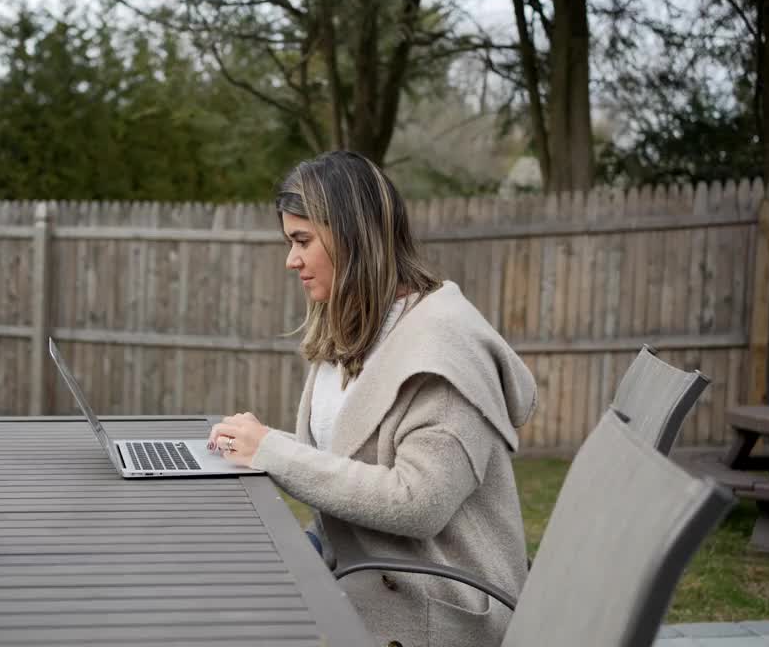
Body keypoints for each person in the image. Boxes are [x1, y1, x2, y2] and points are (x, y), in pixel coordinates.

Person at [207, 150, 537, 647]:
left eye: (302, 241)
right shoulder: (351, 330)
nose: (290, 259)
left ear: (353, 237)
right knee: (225, 601)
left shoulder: (443, 350)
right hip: (357, 574)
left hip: (436, 612)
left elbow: (417, 503)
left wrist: (270, 451)